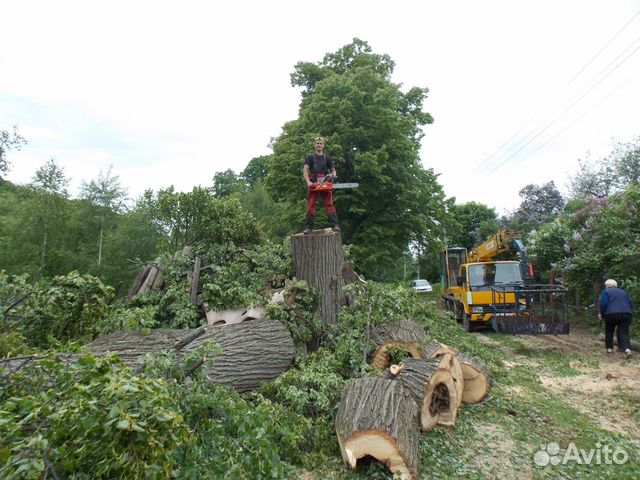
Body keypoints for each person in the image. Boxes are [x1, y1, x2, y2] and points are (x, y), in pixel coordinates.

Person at [302, 137, 340, 234]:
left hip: (325, 182)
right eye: (317, 143)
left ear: (323, 145)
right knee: (311, 204)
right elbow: (305, 169)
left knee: (329, 203)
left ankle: (335, 225)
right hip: (314, 182)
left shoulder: (327, 158)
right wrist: (308, 182)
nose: (319, 145)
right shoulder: (310, 158)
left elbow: (333, 171)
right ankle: (308, 227)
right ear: (315, 145)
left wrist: (332, 175)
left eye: (321, 143)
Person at [599, 278, 634, 358]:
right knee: (624, 331)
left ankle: (609, 349)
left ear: (607, 286)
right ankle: (626, 349)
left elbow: (603, 304)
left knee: (609, 330)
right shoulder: (623, 292)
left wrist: (602, 314)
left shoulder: (605, 292)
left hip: (611, 314)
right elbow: (631, 303)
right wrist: (628, 311)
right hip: (626, 314)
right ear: (616, 285)